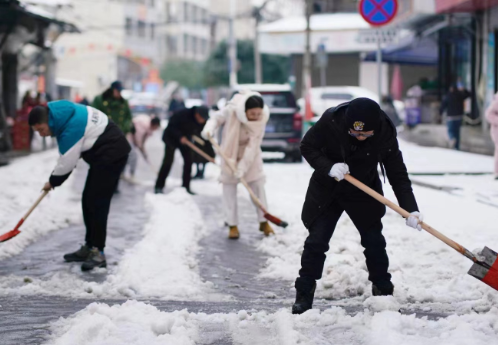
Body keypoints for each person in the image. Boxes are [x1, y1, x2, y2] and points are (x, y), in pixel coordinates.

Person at [291, 98, 422, 315]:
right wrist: (328, 166)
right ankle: (304, 293)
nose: (360, 137)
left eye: (365, 134)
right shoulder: (331, 120)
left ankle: (383, 292)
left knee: (374, 242)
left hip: (363, 189)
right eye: (355, 133)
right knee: (317, 241)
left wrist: (410, 209)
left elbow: (397, 173)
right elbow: (307, 146)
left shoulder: (385, 132)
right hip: (328, 188)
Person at [28, 100, 130, 271]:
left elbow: (67, 162)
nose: (41, 134)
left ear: (48, 121)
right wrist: (54, 180)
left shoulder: (70, 128)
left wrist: (53, 181)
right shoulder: (63, 115)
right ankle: (90, 247)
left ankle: (98, 253)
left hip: (113, 154)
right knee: (88, 200)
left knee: (97, 203)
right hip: (104, 154)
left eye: (41, 129)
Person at [201, 92, 274, 239]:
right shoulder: (232, 110)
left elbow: (252, 147)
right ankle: (232, 224)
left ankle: (264, 221)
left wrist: (242, 168)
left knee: (258, 186)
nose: (256, 116)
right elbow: (216, 118)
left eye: (258, 113)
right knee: (229, 190)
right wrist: (209, 128)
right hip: (229, 154)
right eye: (252, 113)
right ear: (244, 110)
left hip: (251, 158)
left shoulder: (261, 120)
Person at [155, 105, 209, 195]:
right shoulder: (182, 114)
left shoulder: (202, 121)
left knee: (188, 162)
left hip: (186, 140)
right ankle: (159, 186)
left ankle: (186, 187)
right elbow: (171, 127)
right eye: (201, 119)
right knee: (168, 162)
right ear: (197, 114)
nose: (202, 121)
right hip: (171, 138)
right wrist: (180, 137)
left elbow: (202, 133)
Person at [440, 82, 471, 150]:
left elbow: (443, 106)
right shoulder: (460, 95)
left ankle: (451, 139)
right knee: (457, 132)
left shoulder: (448, 96)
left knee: (451, 131)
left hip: (450, 117)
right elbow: (468, 94)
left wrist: (440, 113)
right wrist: (463, 89)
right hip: (459, 117)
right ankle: (456, 147)